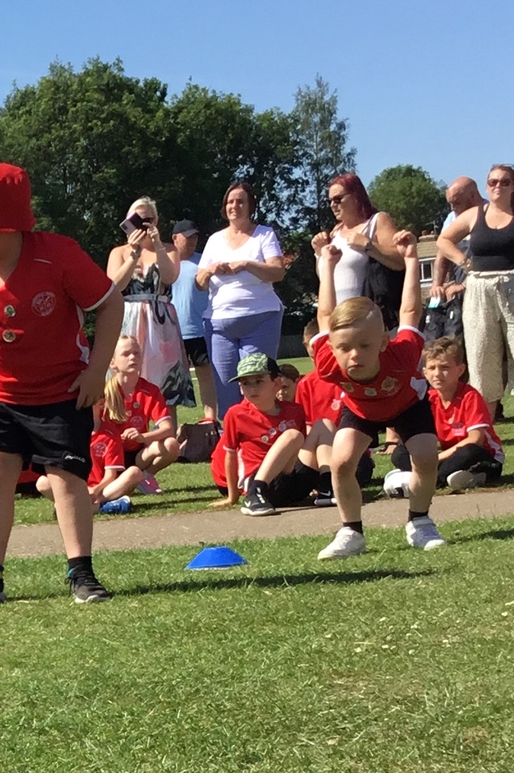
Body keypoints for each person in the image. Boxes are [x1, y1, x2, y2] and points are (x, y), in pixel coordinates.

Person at [0, 161, 123, 608]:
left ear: (10, 224)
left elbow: (110, 303)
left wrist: (97, 370)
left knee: (66, 478)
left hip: (61, 390)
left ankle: (81, 572)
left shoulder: (57, 255)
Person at [310, 228, 443, 558]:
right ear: (332, 347)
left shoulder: (403, 353)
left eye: (365, 346)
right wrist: (327, 263)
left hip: (407, 404)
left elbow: (410, 312)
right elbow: (325, 315)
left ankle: (420, 521)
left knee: (425, 456)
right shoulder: (327, 361)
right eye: (345, 348)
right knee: (341, 462)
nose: (354, 355)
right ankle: (351, 532)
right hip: (360, 408)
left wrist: (411, 260)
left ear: (384, 342)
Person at [196, 184, 290, 415]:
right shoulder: (214, 240)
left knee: (257, 385)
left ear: (250, 206)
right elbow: (199, 283)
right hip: (219, 324)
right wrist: (210, 270)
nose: (234, 206)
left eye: (240, 201)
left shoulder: (264, 234)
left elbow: (278, 272)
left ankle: (261, 433)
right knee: (225, 389)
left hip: (260, 319)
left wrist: (246, 264)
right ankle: (231, 435)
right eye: (230, 201)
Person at [437, 165, 514, 415]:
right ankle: (485, 428)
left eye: (505, 182)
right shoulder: (474, 215)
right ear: (486, 186)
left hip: (511, 286)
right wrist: (464, 262)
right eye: (493, 182)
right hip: (479, 290)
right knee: (481, 358)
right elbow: (443, 240)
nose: (498, 186)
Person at [105, 199, 189, 404]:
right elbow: (114, 286)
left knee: (165, 383)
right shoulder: (119, 252)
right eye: (135, 219)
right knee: (125, 377)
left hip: (160, 319)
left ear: (155, 221)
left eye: (146, 220)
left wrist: (157, 244)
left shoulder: (169, 249)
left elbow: (170, 277)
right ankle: (124, 421)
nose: (141, 224)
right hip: (128, 316)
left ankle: (165, 422)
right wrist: (133, 255)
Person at [214, 352, 319, 515]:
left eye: (259, 381)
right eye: (245, 383)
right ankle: (255, 493)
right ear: (240, 388)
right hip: (261, 481)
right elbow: (230, 455)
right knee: (293, 435)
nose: (252, 388)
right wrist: (232, 496)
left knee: (322, 426)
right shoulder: (237, 414)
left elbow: (302, 452)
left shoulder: (295, 411)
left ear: (276, 383)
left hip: (289, 480)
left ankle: (327, 486)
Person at [419, 338, 504, 493]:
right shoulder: (428, 399)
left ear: (460, 370)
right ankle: (462, 476)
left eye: (444, 367)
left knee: (469, 452)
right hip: (450, 455)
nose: (437, 374)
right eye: (432, 368)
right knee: (400, 454)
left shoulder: (469, 396)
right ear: (425, 372)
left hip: (483, 455)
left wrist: (437, 458)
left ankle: (430, 477)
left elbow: (475, 439)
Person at [325, 171, 406, 328]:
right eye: (330, 201)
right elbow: (325, 276)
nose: (333, 205)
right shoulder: (334, 233)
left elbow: (400, 260)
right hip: (338, 320)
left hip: (368, 319)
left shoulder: (376, 222)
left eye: (338, 199)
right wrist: (318, 254)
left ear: (356, 197)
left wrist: (369, 245)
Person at [106, 334, 178, 484]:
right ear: (112, 362)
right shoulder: (105, 392)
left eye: (136, 353)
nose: (132, 357)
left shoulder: (150, 391)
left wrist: (142, 437)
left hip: (139, 454)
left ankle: (146, 477)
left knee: (171, 444)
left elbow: (168, 429)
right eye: (126, 354)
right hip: (111, 456)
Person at [170, 219, 217, 418]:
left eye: (195, 237)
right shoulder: (165, 264)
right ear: (175, 238)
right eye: (187, 237)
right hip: (171, 331)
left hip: (199, 329)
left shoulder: (204, 262)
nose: (192, 241)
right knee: (171, 380)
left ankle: (210, 419)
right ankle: (170, 424)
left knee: (205, 375)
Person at [426, 176, 482, 342]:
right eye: (449, 203)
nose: (452, 208)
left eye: (456, 203)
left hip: (480, 288)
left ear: (473, 196)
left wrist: (464, 285)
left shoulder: (488, 215)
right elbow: (442, 254)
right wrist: (437, 285)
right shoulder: (452, 218)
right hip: (458, 293)